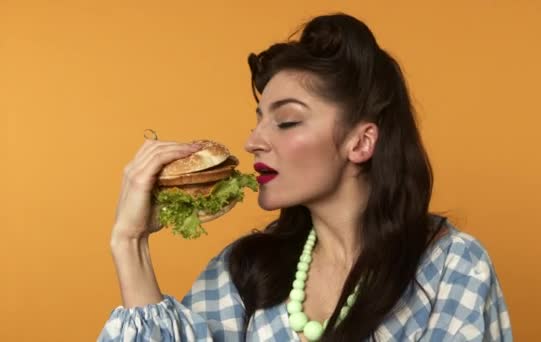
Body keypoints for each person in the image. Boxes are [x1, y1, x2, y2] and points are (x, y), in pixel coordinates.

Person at [98, 12, 512, 342]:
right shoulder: (244, 271)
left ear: (361, 142)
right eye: (259, 120)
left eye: (288, 121)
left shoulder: (450, 268)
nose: (253, 141)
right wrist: (129, 242)